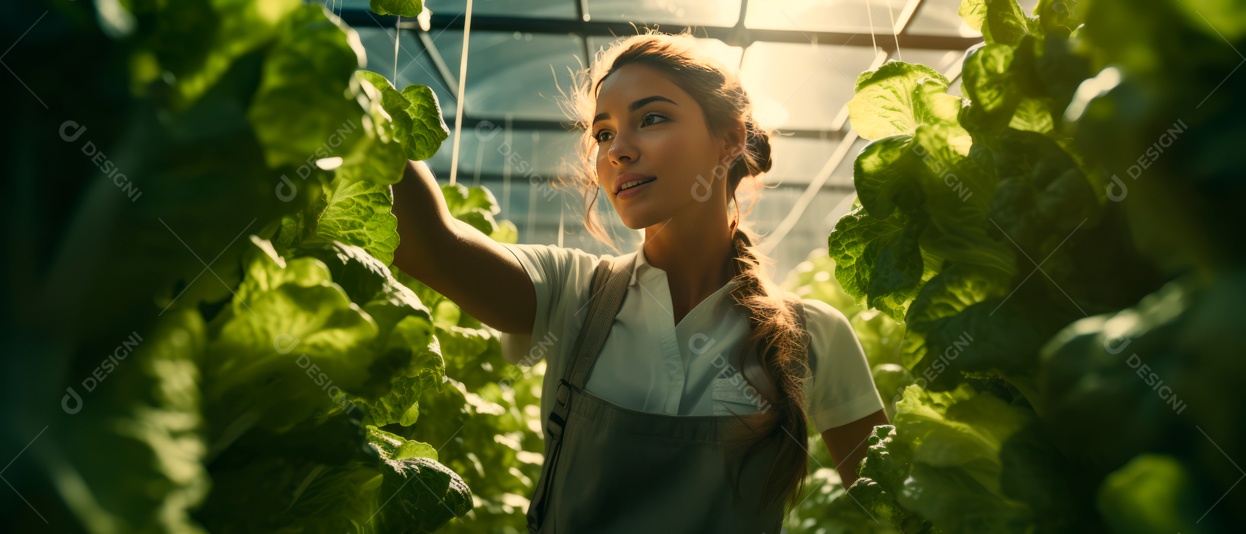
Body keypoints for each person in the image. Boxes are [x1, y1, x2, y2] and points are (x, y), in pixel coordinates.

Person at [391, 32, 888, 534]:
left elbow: (897, 508)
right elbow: (432, 248)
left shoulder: (815, 334)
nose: (618, 151)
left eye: (651, 119)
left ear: (731, 138)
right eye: (604, 134)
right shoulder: (572, 291)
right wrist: (351, 104)